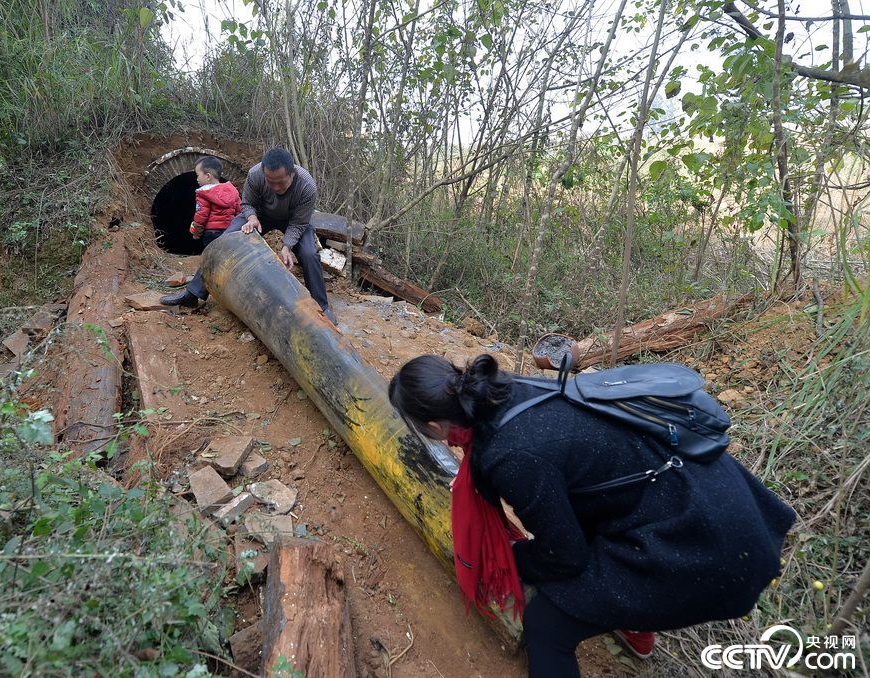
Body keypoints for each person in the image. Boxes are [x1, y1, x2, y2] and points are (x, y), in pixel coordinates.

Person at [388, 354, 796, 678]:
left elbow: (566, 556)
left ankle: (634, 616)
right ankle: (633, 626)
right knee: (592, 540)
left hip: (708, 542)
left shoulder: (510, 455)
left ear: (434, 425)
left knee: (546, 629)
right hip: (708, 493)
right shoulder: (507, 390)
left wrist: (507, 560)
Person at [162, 148, 336, 324]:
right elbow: (247, 204)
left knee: (308, 253)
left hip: (294, 220)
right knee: (225, 241)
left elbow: (299, 223)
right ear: (263, 173)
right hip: (260, 215)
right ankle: (192, 293)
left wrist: (286, 246)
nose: (276, 188)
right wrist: (252, 218)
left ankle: (322, 306)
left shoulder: (307, 186)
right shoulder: (255, 174)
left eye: (281, 183)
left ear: (292, 173)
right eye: (270, 182)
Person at [159, 156, 240, 310]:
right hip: (230, 232)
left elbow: (201, 216)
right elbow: (238, 212)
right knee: (218, 262)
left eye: (198, 175)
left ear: (208, 176)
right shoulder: (233, 191)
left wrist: (196, 232)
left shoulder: (204, 193)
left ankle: (191, 295)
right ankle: (193, 295)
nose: (196, 179)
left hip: (212, 233)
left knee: (209, 262)